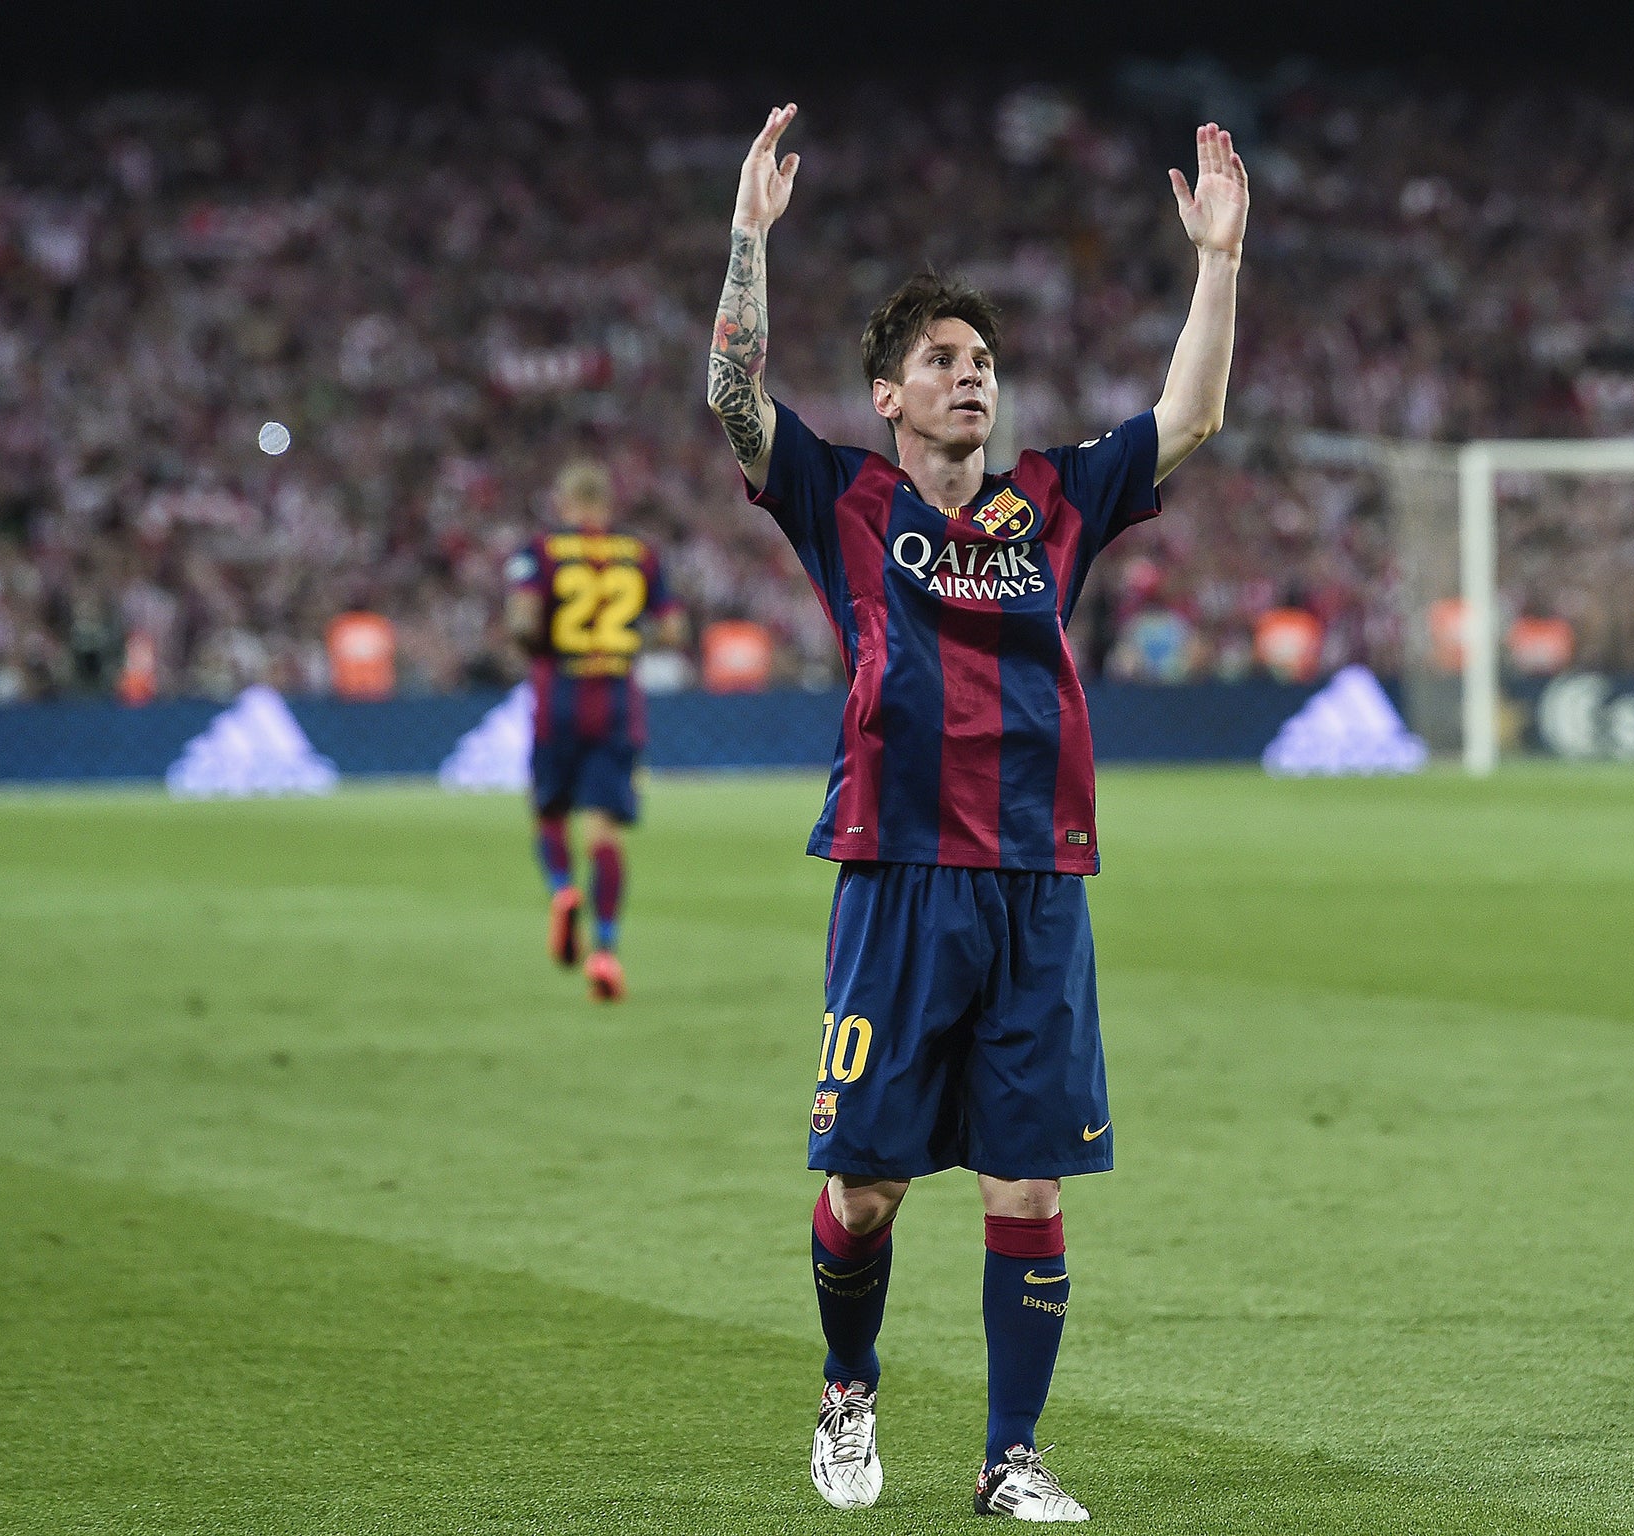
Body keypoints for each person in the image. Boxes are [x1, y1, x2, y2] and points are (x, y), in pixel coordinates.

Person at [706, 104, 1246, 1521]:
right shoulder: (841, 497)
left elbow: (1189, 418)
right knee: (868, 1191)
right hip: (895, 877)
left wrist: (1220, 262)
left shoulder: (1054, 505)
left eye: (985, 363)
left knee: (1027, 1187)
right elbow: (730, 400)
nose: (973, 379)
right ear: (888, 393)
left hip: (1035, 881)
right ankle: (847, 1390)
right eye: (944, 361)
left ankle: (1009, 1458)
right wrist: (750, 242)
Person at [504, 459, 683, 998]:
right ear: (608, 503)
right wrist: (624, 644)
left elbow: (522, 621)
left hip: (558, 696)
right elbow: (673, 631)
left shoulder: (539, 551)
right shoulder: (641, 554)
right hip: (616, 701)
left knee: (549, 811)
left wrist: (540, 650)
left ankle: (562, 890)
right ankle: (605, 951)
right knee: (603, 830)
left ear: (564, 502)